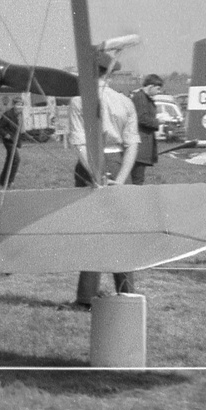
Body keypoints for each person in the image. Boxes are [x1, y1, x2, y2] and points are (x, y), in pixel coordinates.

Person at [66, 50, 141, 309]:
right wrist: (120, 179)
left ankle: (86, 298)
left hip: (92, 166)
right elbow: (132, 145)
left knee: (92, 232)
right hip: (119, 163)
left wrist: (96, 176)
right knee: (121, 232)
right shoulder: (125, 102)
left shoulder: (78, 102)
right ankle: (127, 294)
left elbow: (79, 144)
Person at [130, 74, 163, 186]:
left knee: (138, 179)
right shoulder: (140, 98)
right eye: (158, 88)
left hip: (142, 147)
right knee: (136, 181)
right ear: (150, 86)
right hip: (140, 146)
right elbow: (142, 118)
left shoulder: (144, 98)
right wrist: (159, 122)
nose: (159, 92)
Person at [0, 103, 22, 189]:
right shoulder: (8, 115)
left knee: (10, 160)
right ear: (14, 105)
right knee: (16, 159)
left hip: (14, 140)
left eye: (22, 105)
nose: (20, 108)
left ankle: (2, 181)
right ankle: (9, 181)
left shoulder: (19, 115)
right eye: (18, 105)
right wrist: (6, 134)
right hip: (8, 140)